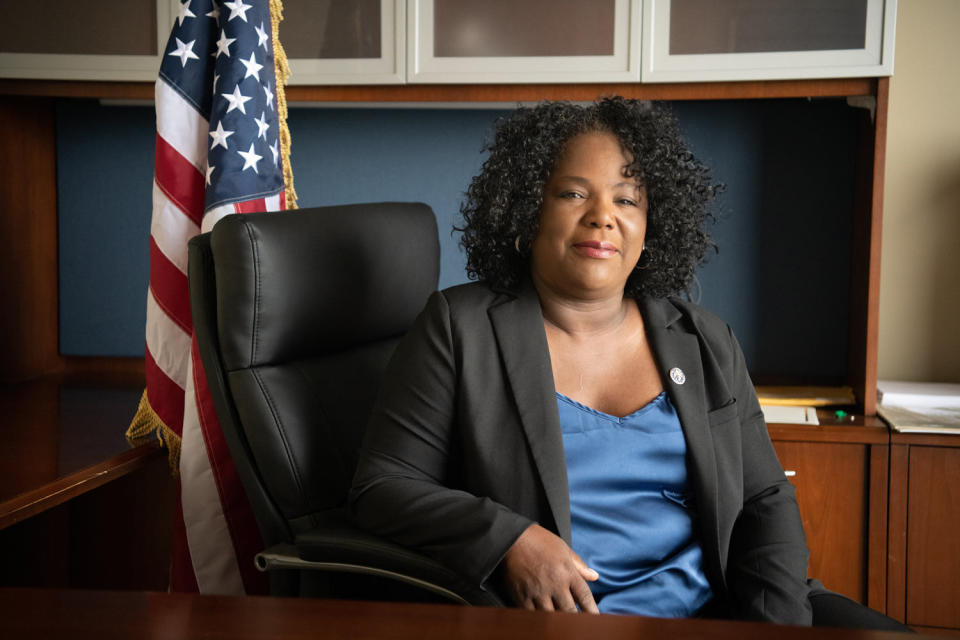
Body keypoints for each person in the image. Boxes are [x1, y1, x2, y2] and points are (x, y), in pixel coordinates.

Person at [348, 97, 812, 622]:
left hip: (714, 614)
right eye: (573, 194)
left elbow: (764, 499)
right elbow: (382, 489)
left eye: (627, 200)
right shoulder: (460, 327)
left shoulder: (703, 338)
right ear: (528, 210)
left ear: (651, 225)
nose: (603, 217)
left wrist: (779, 628)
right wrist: (510, 540)